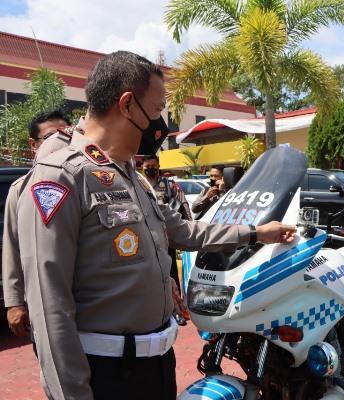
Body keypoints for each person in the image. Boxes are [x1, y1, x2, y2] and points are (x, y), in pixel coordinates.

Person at [16, 50, 296, 400]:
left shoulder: (131, 177)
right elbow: (49, 307)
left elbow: (185, 231)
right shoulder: (62, 177)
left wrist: (256, 233)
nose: (161, 125)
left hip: (157, 366)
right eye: (158, 109)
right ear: (128, 105)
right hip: (107, 376)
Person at [2, 110, 71, 338]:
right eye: (51, 137)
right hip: (45, 300)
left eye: (66, 135)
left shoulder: (87, 181)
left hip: (86, 297)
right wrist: (14, 302)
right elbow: (12, 246)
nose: (61, 142)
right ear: (34, 144)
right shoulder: (21, 189)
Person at [141, 154, 192, 326]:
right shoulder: (139, 183)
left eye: (153, 166)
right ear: (142, 168)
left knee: (171, 274)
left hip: (166, 235)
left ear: (158, 166)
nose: (150, 169)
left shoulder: (169, 185)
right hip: (146, 235)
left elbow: (183, 203)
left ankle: (177, 311)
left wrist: (188, 226)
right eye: (147, 166)